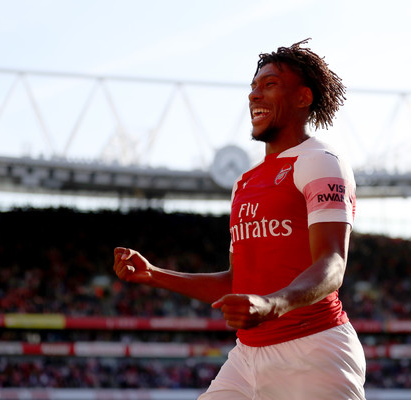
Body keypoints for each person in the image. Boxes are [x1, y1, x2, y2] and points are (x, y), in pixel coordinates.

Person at [113, 39, 366, 400]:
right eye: (253, 87)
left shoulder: (320, 161)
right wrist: (154, 275)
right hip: (247, 355)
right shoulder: (244, 182)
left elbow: (332, 265)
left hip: (313, 351)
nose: (254, 95)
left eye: (270, 84)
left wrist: (271, 304)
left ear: (303, 98)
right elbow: (237, 280)